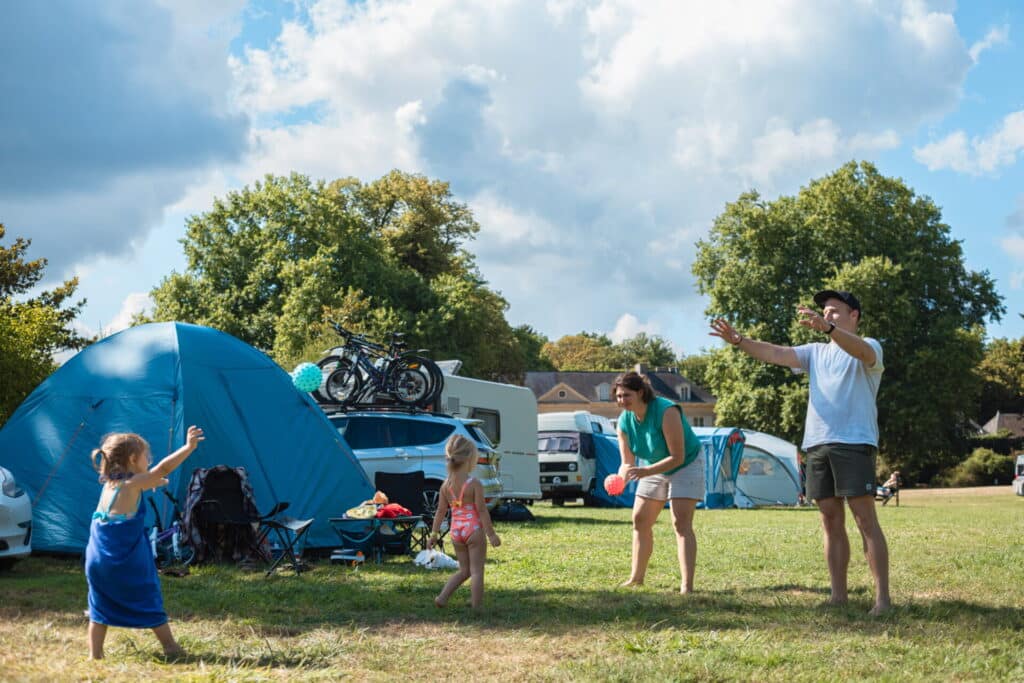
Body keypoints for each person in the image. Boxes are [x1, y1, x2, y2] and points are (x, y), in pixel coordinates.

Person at [711, 289, 892, 615]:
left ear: (854, 315)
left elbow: (862, 352)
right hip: (817, 444)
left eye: (835, 310)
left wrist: (829, 330)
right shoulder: (815, 353)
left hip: (854, 443)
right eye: (825, 311)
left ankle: (882, 600)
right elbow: (775, 353)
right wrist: (739, 340)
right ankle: (838, 596)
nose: (827, 314)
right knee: (830, 521)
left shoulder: (870, 346)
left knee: (865, 520)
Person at [85, 426, 205, 659]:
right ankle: (170, 647)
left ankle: (95, 655)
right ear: (132, 459)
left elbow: (145, 482)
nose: (149, 461)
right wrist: (188, 447)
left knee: (100, 606)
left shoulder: (110, 484)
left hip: (97, 560)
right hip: (123, 560)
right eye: (146, 457)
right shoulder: (132, 484)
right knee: (146, 596)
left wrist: (152, 481)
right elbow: (163, 469)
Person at [613, 371, 705, 593]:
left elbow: (677, 457)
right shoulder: (624, 421)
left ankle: (687, 586)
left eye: (626, 395)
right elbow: (627, 463)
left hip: (686, 463)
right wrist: (620, 480)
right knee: (640, 520)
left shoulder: (666, 411)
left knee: (681, 523)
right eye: (618, 396)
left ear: (640, 392)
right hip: (653, 465)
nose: (622, 400)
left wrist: (645, 471)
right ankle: (636, 578)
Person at [427, 434, 501, 609]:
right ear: (469, 459)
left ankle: (442, 598)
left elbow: (440, 512)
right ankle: (477, 607)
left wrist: (434, 534)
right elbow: (482, 510)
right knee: (476, 571)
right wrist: (491, 534)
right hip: (473, 530)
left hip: (456, 532)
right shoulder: (474, 484)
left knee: (464, 570)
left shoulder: (445, 485)